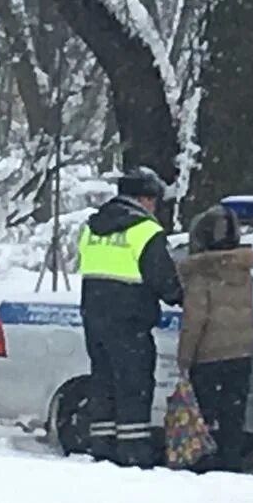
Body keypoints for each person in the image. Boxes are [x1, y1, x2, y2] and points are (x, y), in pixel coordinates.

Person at [78, 166, 181, 468]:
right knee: (133, 387)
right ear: (146, 200)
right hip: (130, 322)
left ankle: (102, 446)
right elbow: (164, 281)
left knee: (104, 384)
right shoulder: (145, 231)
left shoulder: (91, 227)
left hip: (94, 318)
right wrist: (183, 296)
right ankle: (133, 453)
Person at [176, 205, 253, 473]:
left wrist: (185, 358)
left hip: (209, 356)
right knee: (233, 415)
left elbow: (194, 321)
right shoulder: (242, 270)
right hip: (241, 353)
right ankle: (231, 462)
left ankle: (206, 464)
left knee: (205, 417)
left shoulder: (202, 275)